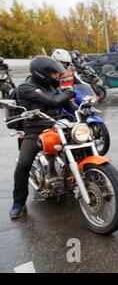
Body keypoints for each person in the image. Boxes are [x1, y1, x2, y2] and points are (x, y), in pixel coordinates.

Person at [9, 56, 76, 219]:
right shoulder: (25, 88)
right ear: (42, 73)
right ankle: (18, 202)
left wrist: (83, 110)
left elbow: (68, 105)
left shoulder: (52, 87)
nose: (56, 77)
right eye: (53, 74)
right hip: (35, 131)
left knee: (81, 148)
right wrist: (68, 94)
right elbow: (53, 102)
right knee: (23, 166)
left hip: (57, 126)